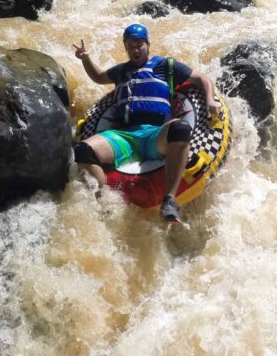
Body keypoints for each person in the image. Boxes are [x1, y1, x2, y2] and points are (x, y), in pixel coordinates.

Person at [73, 24, 220, 224]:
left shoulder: (165, 66)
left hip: (156, 135)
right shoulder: (121, 71)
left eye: (139, 45)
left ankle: (169, 200)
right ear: (125, 48)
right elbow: (99, 77)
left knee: (180, 128)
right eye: (130, 46)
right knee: (83, 149)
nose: (135, 50)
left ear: (148, 44)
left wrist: (210, 100)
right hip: (124, 137)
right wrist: (85, 58)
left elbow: (201, 78)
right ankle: (105, 202)